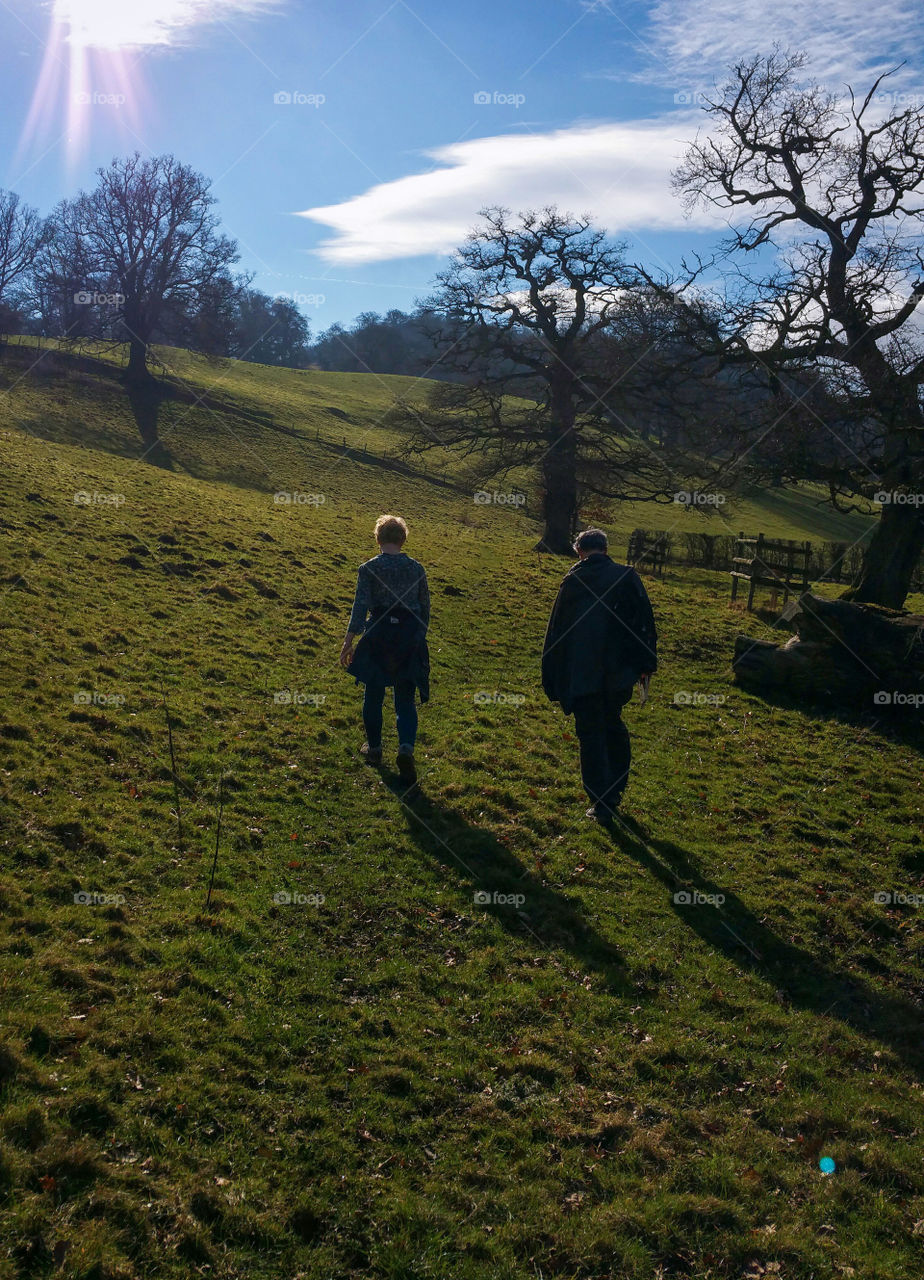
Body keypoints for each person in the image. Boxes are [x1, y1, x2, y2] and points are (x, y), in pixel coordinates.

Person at [541, 528, 657, 824]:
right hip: (618, 671)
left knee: (590, 733)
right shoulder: (626, 576)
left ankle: (600, 799)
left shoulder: (572, 580)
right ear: (605, 549)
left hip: (581, 671)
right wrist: (645, 665)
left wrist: (552, 674)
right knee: (613, 725)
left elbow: (556, 631)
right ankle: (615, 792)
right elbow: (643, 622)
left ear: (580, 550)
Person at [340, 515, 430, 784]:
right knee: (405, 696)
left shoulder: (368, 569)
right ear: (403, 539)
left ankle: (375, 748)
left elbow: (360, 606)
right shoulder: (417, 569)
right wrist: (418, 635)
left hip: (378, 633)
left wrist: (349, 641)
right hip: (408, 635)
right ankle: (406, 747)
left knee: (374, 692)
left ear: (378, 539)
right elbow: (425, 607)